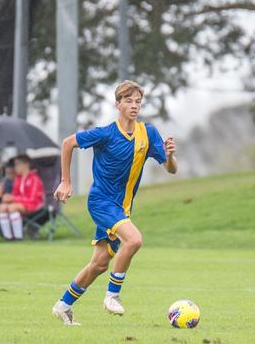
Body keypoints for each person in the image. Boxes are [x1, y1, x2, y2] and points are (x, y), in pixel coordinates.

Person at [51, 80, 177, 325]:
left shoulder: (148, 134)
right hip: (100, 202)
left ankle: (63, 305)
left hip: (121, 209)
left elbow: (171, 170)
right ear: (117, 104)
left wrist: (170, 156)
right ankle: (112, 296)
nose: (134, 106)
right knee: (134, 239)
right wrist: (66, 181)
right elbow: (68, 143)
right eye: (128, 101)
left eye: (138, 101)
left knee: (98, 264)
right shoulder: (106, 133)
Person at [0, 154, 45, 240]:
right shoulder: (18, 179)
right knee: (2, 207)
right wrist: (8, 197)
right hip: (21, 204)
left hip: (34, 205)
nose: (15, 167)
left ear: (26, 164)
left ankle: (18, 237)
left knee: (12, 208)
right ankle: (8, 237)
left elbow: (32, 199)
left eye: (17, 164)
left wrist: (13, 198)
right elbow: (15, 194)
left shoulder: (34, 179)